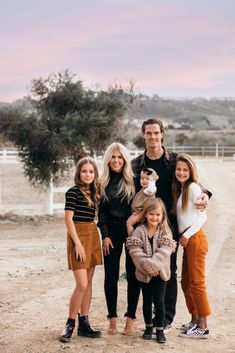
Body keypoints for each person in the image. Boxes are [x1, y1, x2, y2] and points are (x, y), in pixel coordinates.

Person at [131, 118, 211, 330]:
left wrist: (205, 196)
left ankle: (165, 319)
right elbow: (131, 194)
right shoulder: (137, 164)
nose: (152, 137)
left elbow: (193, 182)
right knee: (147, 270)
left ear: (162, 134)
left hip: (170, 227)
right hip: (145, 227)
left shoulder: (174, 160)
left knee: (169, 272)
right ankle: (149, 318)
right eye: (148, 133)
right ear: (143, 136)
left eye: (156, 133)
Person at [59, 157, 103, 343]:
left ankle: (84, 322)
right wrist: (77, 243)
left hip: (92, 234)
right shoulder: (73, 192)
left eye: (91, 171)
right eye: (84, 171)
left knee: (90, 282)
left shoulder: (95, 192)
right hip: (78, 236)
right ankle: (70, 323)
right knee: (82, 284)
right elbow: (68, 219)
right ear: (79, 173)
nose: (88, 174)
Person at [97, 142, 137, 335]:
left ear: (125, 160)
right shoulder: (102, 182)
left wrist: (134, 226)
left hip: (131, 233)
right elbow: (101, 213)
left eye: (120, 157)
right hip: (110, 234)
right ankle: (112, 319)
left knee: (132, 276)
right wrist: (104, 235)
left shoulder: (133, 181)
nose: (116, 160)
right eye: (113, 157)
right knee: (110, 277)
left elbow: (142, 206)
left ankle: (130, 319)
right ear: (108, 160)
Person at [126, 198, 176, 343]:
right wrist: (148, 268)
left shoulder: (165, 232)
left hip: (161, 273)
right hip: (143, 274)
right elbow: (135, 252)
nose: (154, 217)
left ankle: (159, 330)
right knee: (147, 301)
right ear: (146, 215)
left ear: (162, 216)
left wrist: (153, 267)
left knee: (159, 302)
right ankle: (148, 327)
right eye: (151, 214)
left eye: (158, 215)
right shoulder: (138, 232)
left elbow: (164, 252)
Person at [172, 153, 211, 338]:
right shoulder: (182, 189)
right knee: (186, 281)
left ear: (191, 171)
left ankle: (203, 325)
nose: (181, 172)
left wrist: (186, 235)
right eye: (178, 169)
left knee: (197, 282)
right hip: (188, 239)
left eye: (185, 170)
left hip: (194, 238)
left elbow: (203, 216)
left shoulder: (194, 188)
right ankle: (194, 320)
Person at [126, 167, 159, 236]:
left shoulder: (149, 190)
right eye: (142, 178)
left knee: (129, 223)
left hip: (140, 212)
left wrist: (153, 180)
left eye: (147, 179)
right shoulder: (144, 189)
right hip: (138, 212)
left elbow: (151, 187)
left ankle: (132, 239)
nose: (144, 180)